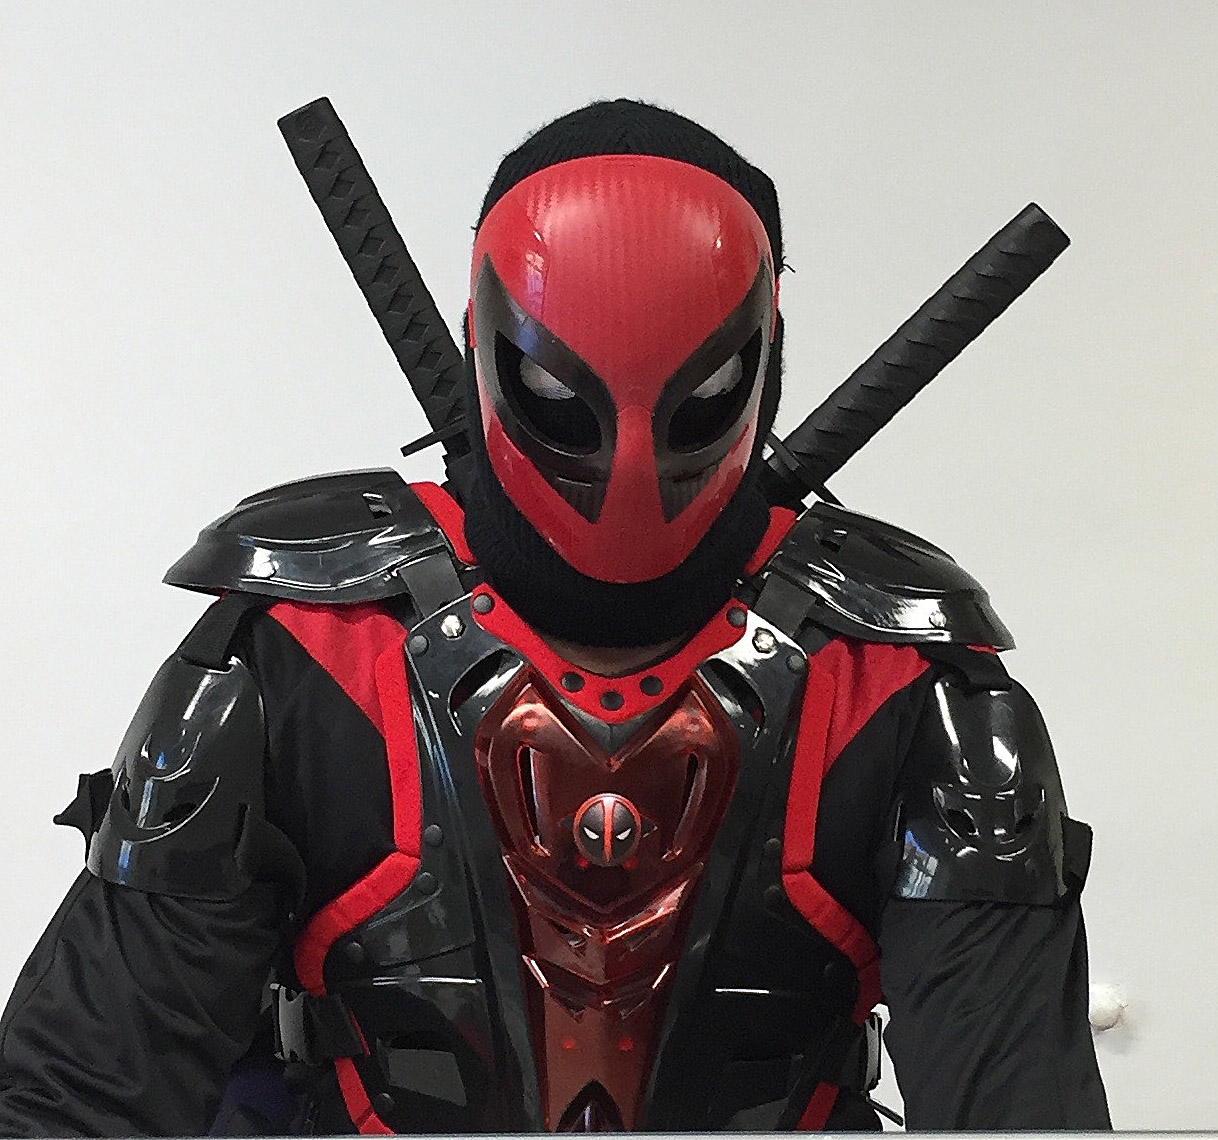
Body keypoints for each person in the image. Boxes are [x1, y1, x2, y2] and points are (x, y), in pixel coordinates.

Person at [0, 99, 1110, 1135]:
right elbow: (88, 1084)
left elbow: (1016, 1102)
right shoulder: (304, 647)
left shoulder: (899, 680)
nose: (625, 477)